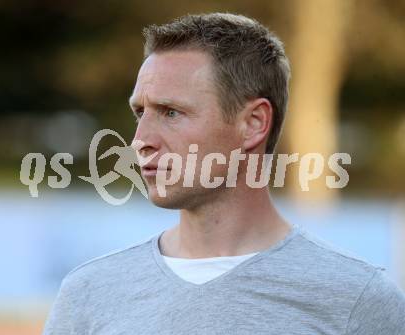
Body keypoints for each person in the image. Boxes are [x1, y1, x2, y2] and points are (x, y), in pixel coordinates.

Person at [43, 13, 405, 334]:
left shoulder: (358, 300)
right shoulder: (89, 293)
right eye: (141, 113)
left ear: (254, 123)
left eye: (170, 112)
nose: (140, 141)